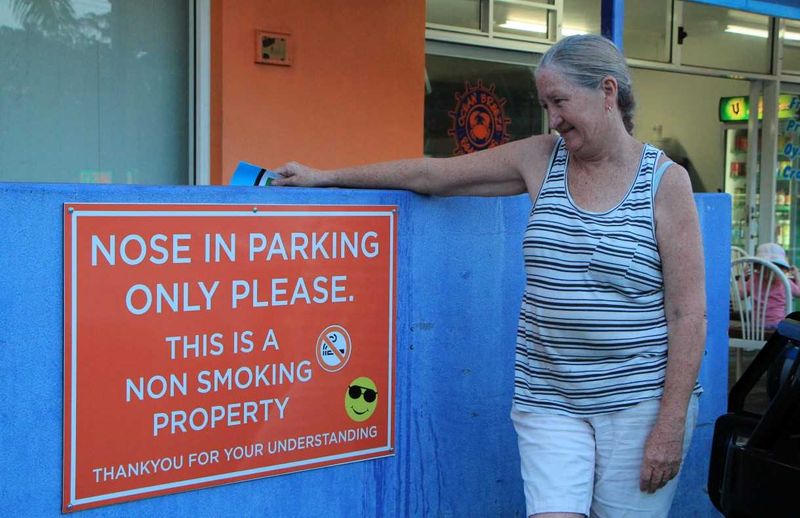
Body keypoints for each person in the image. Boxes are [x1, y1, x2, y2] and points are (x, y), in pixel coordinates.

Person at [273, 34, 706, 518]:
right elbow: (432, 175)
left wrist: (670, 422)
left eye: (561, 101)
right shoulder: (541, 158)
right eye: (546, 104)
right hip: (549, 397)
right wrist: (325, 177)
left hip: (637, 404)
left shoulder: (665, 183)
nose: (553, 118)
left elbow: (688, 313)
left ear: (608, 92)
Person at [753, 242, 800, 328]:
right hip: (778, 325)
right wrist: (797, 277)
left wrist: (742, 277)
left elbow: (740, 294)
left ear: (758, 266)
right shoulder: (785, 282)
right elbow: (799, 293)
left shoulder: (754, 279)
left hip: (756, 325)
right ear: (783, 268)